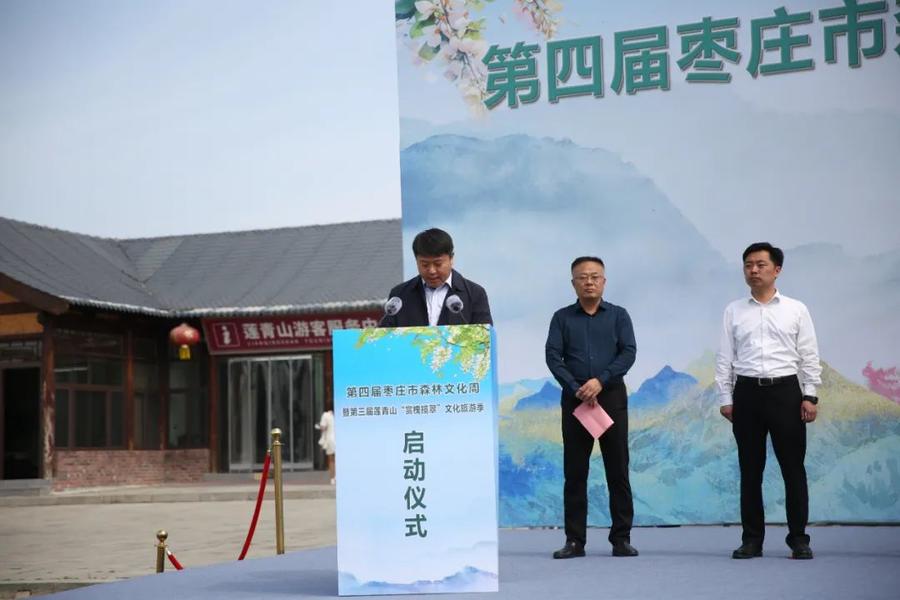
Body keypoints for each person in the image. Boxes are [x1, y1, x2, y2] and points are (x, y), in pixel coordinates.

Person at [715, 242, 821, 560]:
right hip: (747, 393)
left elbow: (809, 354)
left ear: (777, 270)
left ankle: (799, 539)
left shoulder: (796, 309)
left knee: (793, 469)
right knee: (750, 470)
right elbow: (725, 357)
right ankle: (752, 540)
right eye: (748, 265)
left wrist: (810, 394)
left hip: (785, 392)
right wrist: (726, 397)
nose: (754, 270)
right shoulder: (733, 311)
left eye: (761, 264)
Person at [545, 256, 638, 559]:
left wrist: (600, 381)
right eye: (582, 277)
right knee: (575, 473)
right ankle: (575, 541)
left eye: (595, 276)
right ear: (573, 283)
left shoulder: (619, 316)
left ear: (604, 281)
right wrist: (577, 388)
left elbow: (628, 352)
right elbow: (553, 356)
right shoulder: (561, 318)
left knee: (617, 470)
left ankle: (621, 539)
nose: (589, 282)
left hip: (610, 399)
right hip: (576, 402)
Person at [379, 228, 492, 327]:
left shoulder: (475, 294)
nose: (432, 271)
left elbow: (484, 338)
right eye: (425, 265)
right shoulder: (400, 294)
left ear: (451, 259)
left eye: (438, 264)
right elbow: (386, 337)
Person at [316, 402, 336, 485]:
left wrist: (318, 426)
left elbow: (323, 427)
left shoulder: (326, 415)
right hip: (340, 439)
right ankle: (336, 477)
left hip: (331, 439)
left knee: (331, 460)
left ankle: (332, 478)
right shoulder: (342, 413)